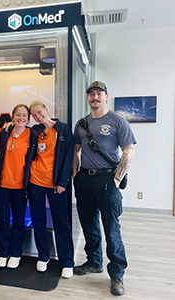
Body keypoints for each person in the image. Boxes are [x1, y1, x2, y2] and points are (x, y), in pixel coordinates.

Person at [72, 81, 136, 296]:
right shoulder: (81, 123)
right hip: (84, 180)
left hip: (108, 180)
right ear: (88, 97)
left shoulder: (117, 121)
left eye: (99, 94)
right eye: (91, 94)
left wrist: (117, 180)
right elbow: (76, 151)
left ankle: (117, 274)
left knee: (111, 229)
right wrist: (75, 176)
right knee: (89, 224)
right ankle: (94, 261)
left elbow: (129, 150)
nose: (95, 97)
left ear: (106, 96)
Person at [27, 100, 75, 279]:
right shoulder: (36, 132)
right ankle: (43, 256)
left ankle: (67, 261)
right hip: (35, 183)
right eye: (34, 115)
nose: (38, 117)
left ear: (47, 109)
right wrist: (10, 123)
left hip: (56, 186)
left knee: (61, 222)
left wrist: (63, 182)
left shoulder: (63, 130)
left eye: (39, 112)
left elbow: (68, 157)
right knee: (38, 221)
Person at [0, 104, 31, 269]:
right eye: (18, 115)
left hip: (20, 187)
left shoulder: (32, 135)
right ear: (13, 117)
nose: (21, 118)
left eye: (24, 115)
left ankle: (15, 253)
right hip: (1, 184)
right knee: (2, 220)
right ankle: (3, 252)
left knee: (19, 221)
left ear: (28, 118)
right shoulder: (4, 132)